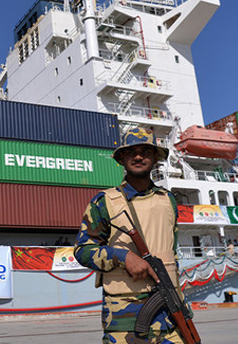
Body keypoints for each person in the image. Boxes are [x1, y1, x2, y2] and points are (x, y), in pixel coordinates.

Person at [74, 127, 188, 344]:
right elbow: (83, 251)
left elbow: (171, 253)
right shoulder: (104, 202)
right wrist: (123, 257)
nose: (138, 156)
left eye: (145, 151)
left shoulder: (169, 200)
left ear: (155, 158)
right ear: (122, 159)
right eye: (131, 152)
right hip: (125, 318)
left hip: (171, 313)